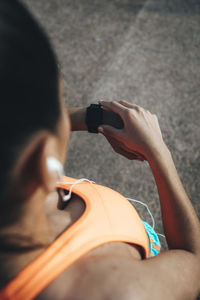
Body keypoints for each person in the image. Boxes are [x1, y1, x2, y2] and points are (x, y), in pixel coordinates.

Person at [0, 0, 200, 299]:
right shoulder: (117, 289)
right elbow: (193, 260)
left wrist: (89, 117)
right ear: (39, 159)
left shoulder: (15, 188)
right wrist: (159, 154)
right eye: (60, 102)